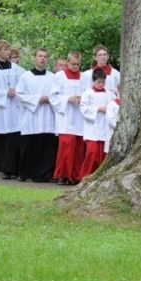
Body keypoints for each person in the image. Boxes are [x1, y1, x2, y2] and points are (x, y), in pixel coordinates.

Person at [15, 48, 58, 182]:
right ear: (34, 58)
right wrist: (37, 99)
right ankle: (25, 173)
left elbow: (57, 94)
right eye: (40, 56)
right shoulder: (25, 76)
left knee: (46, 147)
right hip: (31, 116)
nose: (43, 58)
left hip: (47, 116)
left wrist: (49, 98)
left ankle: (44, 174)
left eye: (45, 56)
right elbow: (20, 94)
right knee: (29, 147)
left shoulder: (53, 77)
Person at [0, 40, 24, 180]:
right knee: (4, 140)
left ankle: (17, 168)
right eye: (5, 49)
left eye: (9, 49)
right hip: (1, 110)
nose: (8, 52)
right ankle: (6, 169)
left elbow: (24, 84)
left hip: (15, 108)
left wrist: (17, 91)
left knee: (16, 138)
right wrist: (4, 93)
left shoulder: (16, 69)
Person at [50, 51, 85, 185]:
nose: (75, 67)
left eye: (78, 64)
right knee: (66, 145)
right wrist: (67, 99)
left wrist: (82, 98)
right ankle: (62, 174)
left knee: (78, 146)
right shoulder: (59, 76)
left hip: (79, 116)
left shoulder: (84, 77)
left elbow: (88, 94)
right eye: (73, 64)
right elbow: (53, 96)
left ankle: (76, 175)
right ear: (68, 63)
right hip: (65, 116)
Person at [79, 67, 117, 178]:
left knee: (103, 155)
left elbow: (115, 107)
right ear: (93, 81)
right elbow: (84, 109)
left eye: (103, 82)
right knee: (92, 153)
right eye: (98, 82)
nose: (101, 84)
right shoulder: (87, 93)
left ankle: (99, 177)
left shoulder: (110, 94)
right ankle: (86, 176)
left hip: (105, 126)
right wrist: (99, 109)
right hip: (93, 127)